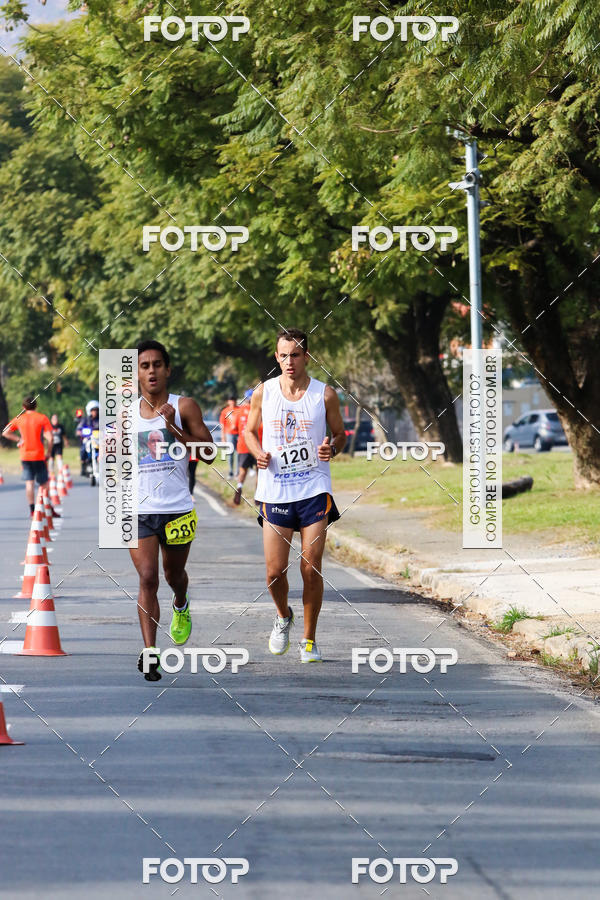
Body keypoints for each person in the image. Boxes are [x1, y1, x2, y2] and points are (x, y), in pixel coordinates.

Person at [244, 328, 346, 663]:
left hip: (314, 489)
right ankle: (283, 616)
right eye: (284, 355)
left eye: (296, 354)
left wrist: (332, 446)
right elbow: (248, 430)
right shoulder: (265, 392)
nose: (290, 361)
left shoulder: (324, 395)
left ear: (307, 357)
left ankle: (309, 640)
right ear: (277, 357)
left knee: (310, 565)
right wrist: (258, 451)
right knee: (274, 572)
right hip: (275, 490)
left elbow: (340, 433)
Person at [131, 339, 215, 681]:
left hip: (178, 507)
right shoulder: (125, 415)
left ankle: (181, 602)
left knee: (172, 575)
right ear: (136, 372)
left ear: (167, 369)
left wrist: (174, 428)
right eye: (144, 365)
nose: (151, 371)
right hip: (139, 508)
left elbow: (208, 453)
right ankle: (151, 653)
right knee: (148, 577)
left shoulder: (185, 406)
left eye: (156, 365)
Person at [2, 396, 53, 516]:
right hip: (39, 455)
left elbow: (5, 433)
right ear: (36, 406)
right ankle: (46, 508)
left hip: (25, 455)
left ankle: (32, 510)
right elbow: (50, 438)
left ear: (23, 407)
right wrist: (49, 452)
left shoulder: (19, 419)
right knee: (44, 483)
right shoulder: (42, 418)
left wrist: (18, 439)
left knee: (29, 483)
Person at [233, 389, 261, 506]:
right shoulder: (261, 410)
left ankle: (239, 487)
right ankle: (257, 496)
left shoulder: (239, 412)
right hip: (258, 444)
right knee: (259, 471)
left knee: (242, 470)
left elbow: (234, 427)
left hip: (243, 444)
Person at [76, 401, 100, 475]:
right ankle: (83, 465)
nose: (95, 412)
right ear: (89, 411)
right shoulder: (85, 420)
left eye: (96, 410)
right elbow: (79, 429)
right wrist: (80, 432)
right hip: (89, 439)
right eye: (93, 410)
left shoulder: (101, 419)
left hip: (100, 439)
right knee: (83, 448)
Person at [219, 396, 239, 477]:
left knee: (238, 453)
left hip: (239, 434)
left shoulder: (239, 409)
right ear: (228, 401)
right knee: (230, 452)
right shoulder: (225, 411)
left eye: (234, 400)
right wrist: (223, 436)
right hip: (229, 433)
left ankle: (237, 472)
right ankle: (231, 471)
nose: (232, 402)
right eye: (231, 400)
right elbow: (222, 424)